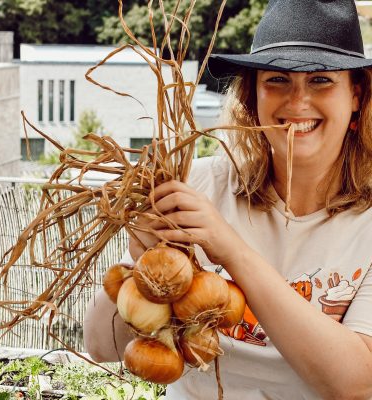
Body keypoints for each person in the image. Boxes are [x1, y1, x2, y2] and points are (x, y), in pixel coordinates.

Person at [83, 0, 372, 398]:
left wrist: (232, 251)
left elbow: (358, 384)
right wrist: (144, 270)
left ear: (356, 95)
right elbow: (101, 346)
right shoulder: (197, 185)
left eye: (321, 80)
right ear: (253, 97)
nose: (297, 101)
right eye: (277, 80)